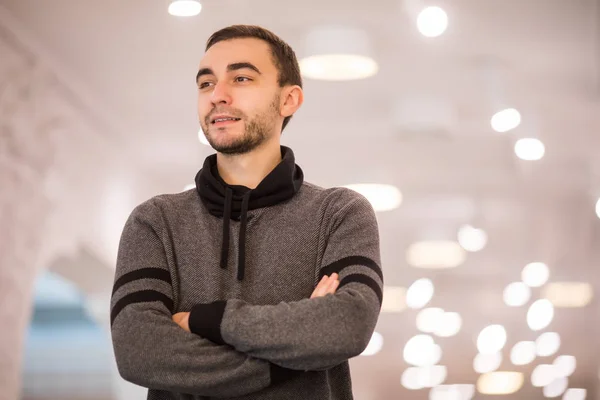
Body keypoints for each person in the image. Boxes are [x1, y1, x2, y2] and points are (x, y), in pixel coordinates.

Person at [110, 24, 383, 400]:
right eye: (206, 84)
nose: (218, 95)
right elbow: (138, 353)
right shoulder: (155, 222)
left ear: (289, 100)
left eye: (241, 78)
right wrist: (295, 353)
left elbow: (348, 325)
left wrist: (206, 321)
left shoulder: (339, 213)